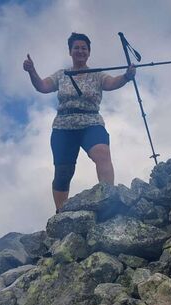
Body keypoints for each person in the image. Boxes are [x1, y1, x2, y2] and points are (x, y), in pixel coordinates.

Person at [23, 32, 135, 212]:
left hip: (91, 122)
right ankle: (61, 213)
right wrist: (32, 71)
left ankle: (109, 198)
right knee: (63, 172)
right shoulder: (61, 75)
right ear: (70, 52)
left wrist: (127, 76)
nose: (80, 51)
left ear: (89, 52)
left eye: (84, 48)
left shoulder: (97, 75)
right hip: (63, 127)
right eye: (77, 48)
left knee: (102, 153)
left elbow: (113, 83)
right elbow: (42, 87)